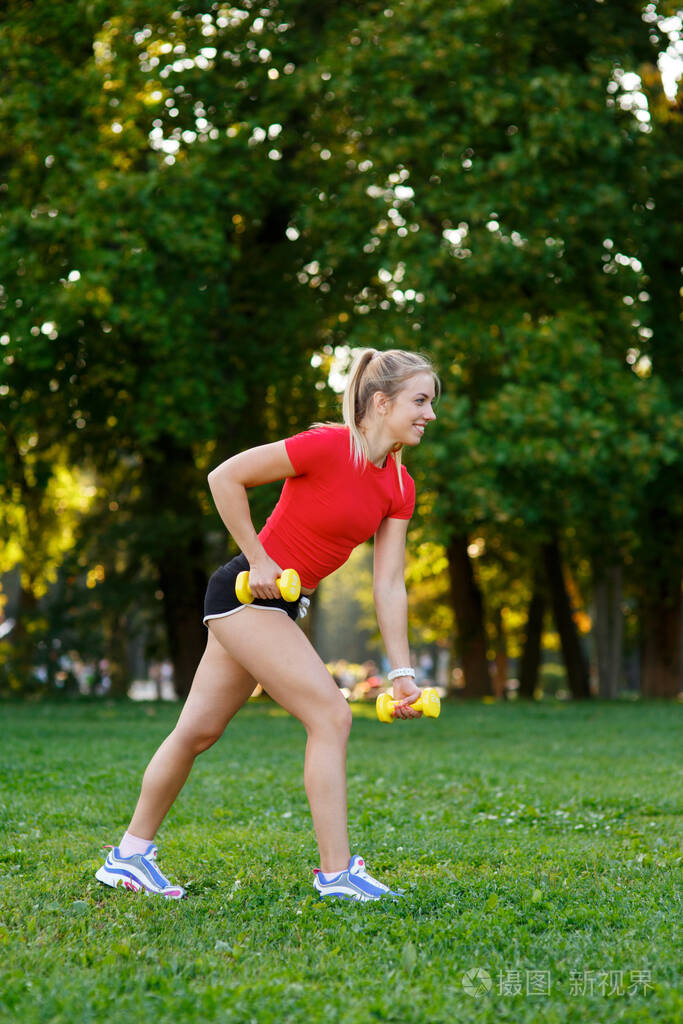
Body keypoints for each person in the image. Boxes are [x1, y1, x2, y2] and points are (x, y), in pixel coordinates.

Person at [96, 348, 439, 902]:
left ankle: (127, 858)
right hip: (242, 594)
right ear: (381, 402)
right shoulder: (326, 446)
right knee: (330, 714)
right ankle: (336, 874)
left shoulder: (399, 486)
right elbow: (224, 477)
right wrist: (258, 559)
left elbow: (388, 584)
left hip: (278, 606)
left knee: (197, 733)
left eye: (431, 403)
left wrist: (402, 671)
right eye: (420, 401)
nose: (430, 414)